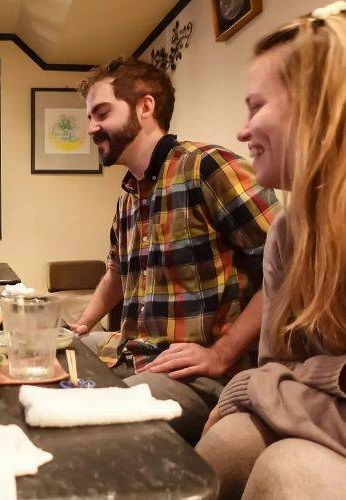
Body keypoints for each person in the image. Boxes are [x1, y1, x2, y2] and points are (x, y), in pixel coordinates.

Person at [72, 58, 281, 443]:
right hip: (133, 353)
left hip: (198, 375)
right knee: (54, 359)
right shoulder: (128, 199)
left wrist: (220, 354)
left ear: (145, 107)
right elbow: (116, 273)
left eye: (101, 113)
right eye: (89, 117)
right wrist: (82, 324)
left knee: (96, 427)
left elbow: (287, 269)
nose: (91, 128)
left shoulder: (207, 167)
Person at [196, 4, 346, 498]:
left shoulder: (205, 170)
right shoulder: (288, 230)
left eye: (256, 106)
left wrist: (249, 382)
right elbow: (276, 364)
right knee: (229, 443)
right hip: (309, 406)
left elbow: (264, 379)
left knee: (289, 468)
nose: (241, 132)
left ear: (319, 105)